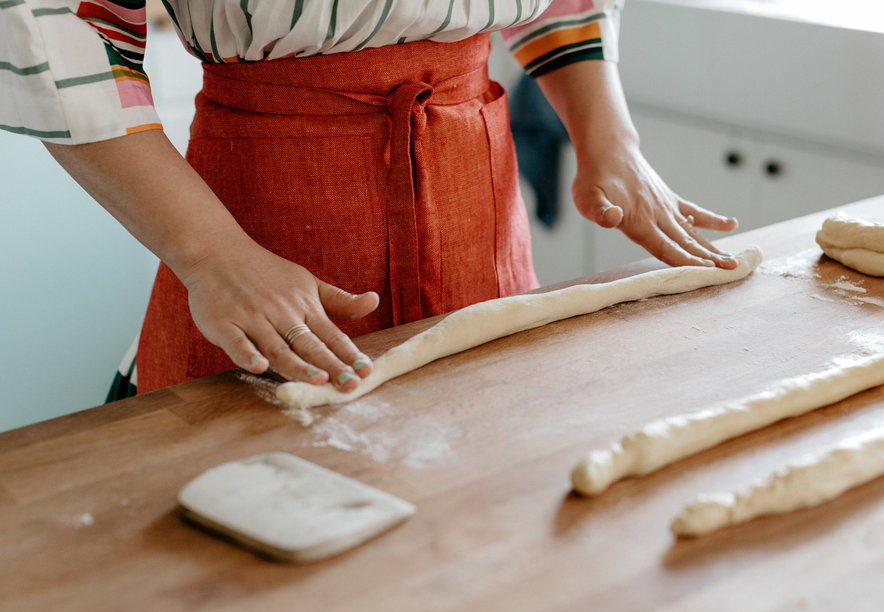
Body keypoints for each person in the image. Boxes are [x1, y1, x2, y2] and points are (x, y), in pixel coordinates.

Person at [1, 0, 738, 398]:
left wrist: (612, 140)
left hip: (479, 231)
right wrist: (211, 253)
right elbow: (56, 29)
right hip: (258, 232)